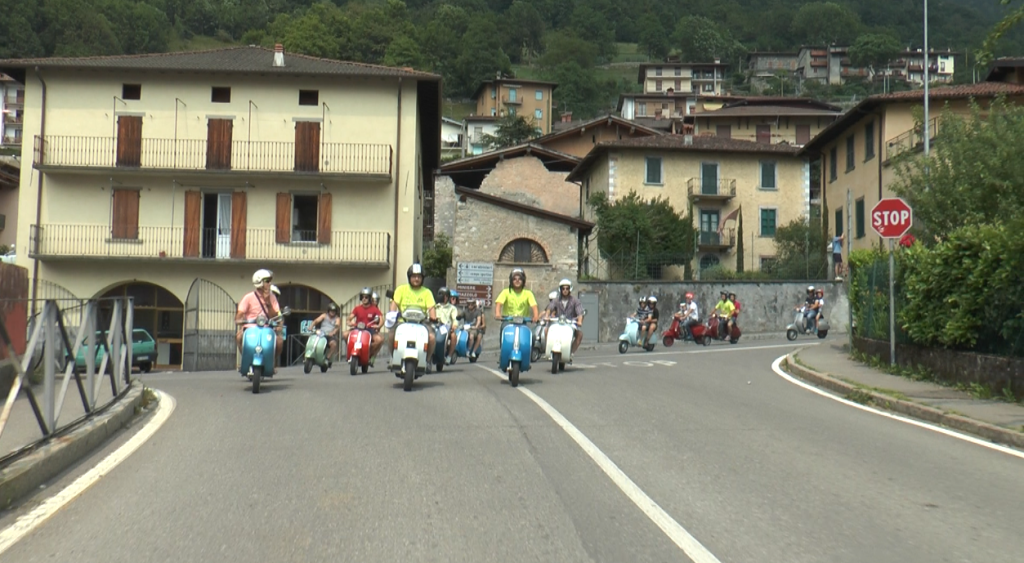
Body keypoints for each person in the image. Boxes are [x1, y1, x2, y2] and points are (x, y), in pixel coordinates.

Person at [235, 269, 284, 374]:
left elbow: (275, 316)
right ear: (260, 282)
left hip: (268, 327)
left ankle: (271, 362)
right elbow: (240, 312)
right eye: (267, 281)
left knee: (279, 342)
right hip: (250, 326)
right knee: (239, 337)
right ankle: (245, 359)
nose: (269, 283)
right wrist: (240, 319)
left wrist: (268, 303)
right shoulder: (248, 297)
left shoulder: (272, 297)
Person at [389, 263, 438, 363]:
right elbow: (394, 304)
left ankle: (427, 360)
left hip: (422, 322)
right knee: (391, 335)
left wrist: (433, 317)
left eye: (419, 277)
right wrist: (391, 315)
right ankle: (393, 356)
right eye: (414, 276)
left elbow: (431, 308)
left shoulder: (427, 292)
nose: (416, 279)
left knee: (432, 338)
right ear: (409, 277)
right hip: (402, 321)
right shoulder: (401, 289)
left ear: (422, 278)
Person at [545, 278, 585, 355]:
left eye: (567, 288)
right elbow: (549, 308)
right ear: (560, 289)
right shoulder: (556, 300)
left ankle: (570, 352)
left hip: (570, 323)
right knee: (546, 330)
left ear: (570, 289)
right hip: (557, 322)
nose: (565, 290)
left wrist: (579, 321)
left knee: (580, 335)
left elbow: (580, 312)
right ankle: (549, 349)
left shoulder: (575, 301)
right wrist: (547, 316)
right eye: (563, 288)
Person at [347, 288, 384, 365]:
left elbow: (381, 320)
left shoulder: (374, 309)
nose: (364, 299)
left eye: (366, 297)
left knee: (379, 340)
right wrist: (349, 322)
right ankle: (350, 351)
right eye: (362, 297)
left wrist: (378, 326)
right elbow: (349, 318)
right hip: (357, 328)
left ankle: (369, 354)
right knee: (345, 334)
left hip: (369, 329)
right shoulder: (357, 308)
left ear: (370, 298)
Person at [434, 287, 461, 363]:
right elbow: (428, 315)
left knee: (453, 336)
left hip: (447, 327)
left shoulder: (452, 308)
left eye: (446, 296)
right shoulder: (435, 306)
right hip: (435, 326)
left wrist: (454, 325)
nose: (444, 297)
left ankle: (449, 356)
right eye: (442, 295)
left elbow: (455, 319)